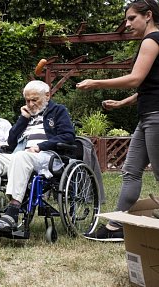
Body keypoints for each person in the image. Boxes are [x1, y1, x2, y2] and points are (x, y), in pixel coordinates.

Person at [76, 0, 159, 242]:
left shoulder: (151, 40)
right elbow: (150, 85)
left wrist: (96, 83)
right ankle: (117, 226)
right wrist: (123, 103)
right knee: (130, 171)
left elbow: (135, 78)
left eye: (132, 18)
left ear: (148, 16)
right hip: (147, 117)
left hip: (156, 117)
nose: (128, 23)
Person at [0, 80, 75, 232]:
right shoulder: (27, 115)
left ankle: (13, 212)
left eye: (34, 99)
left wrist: (41, 146)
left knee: (21, 156)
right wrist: (23, 119)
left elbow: (68, 136)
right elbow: (11, 142)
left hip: (47, 157)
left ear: (47, 96)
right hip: (20, 156)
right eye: (27, 100)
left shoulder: (58, 111)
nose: (30, 103)